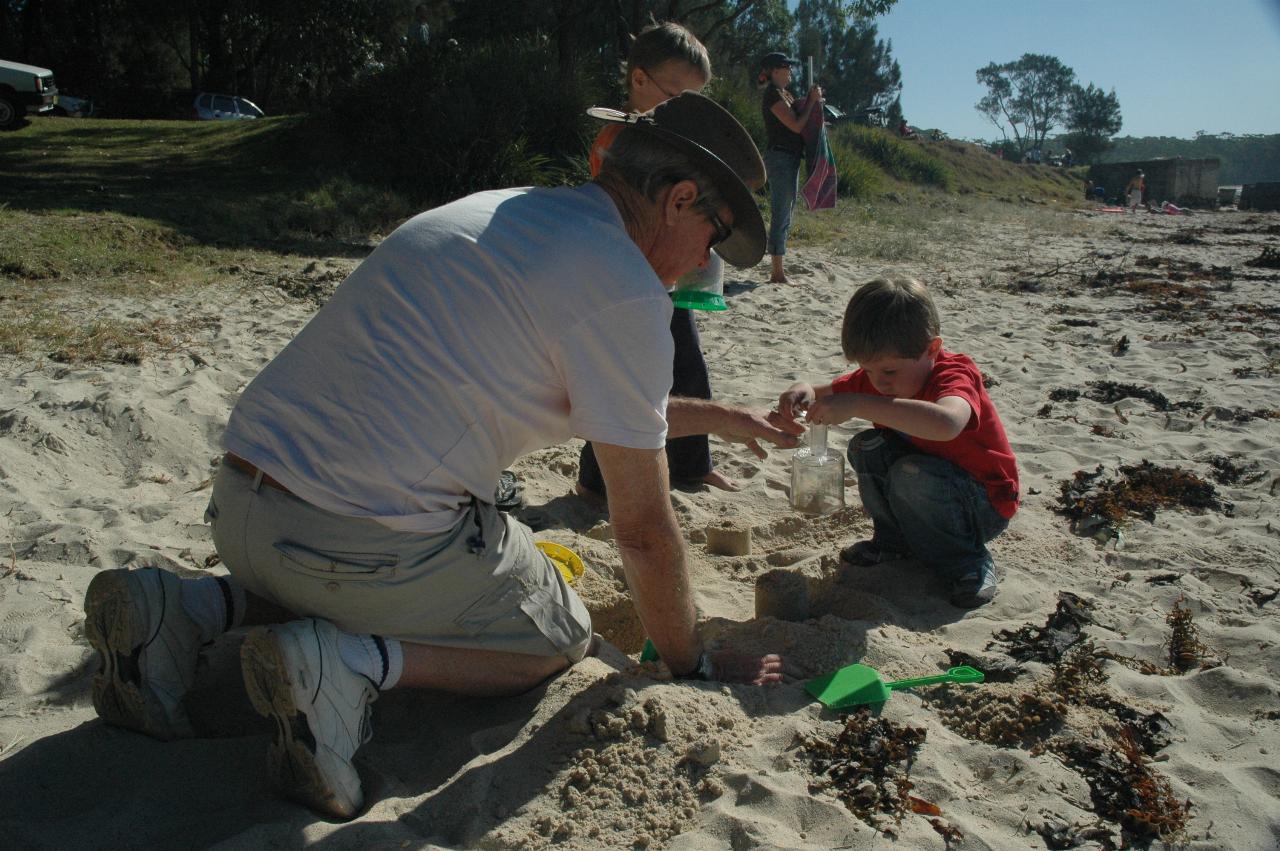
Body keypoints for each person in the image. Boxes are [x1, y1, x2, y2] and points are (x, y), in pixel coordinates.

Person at [82, 93, 789, 821]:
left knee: (383, 524)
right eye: (717, 232)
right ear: (678, 200)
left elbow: (614, 408)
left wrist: (727, 419)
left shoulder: (511, 210)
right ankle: (350, 667)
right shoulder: (626, 291)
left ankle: (190, 606)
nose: (709, 259)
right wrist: (690, 662)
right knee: (557, 631)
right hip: (355, 546)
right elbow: (641, 528)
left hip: (241, 509)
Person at [578, 21, 758, 496]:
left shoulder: (674, 141)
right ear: (639, 80)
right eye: (677, 97)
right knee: (623, 380)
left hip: (675, 277)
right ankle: (594, 483)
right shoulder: (618, 142)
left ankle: (694, 465)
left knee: (689, 367)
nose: (686, 113)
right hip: (633, 279)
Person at [774, 277, 1019, 609]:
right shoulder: (879, 376)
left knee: (909, 472)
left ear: (931, 350)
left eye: (888, 371)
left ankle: (968, 562)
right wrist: (801, 390)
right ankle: (894, 541)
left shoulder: (953, 374)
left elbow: (947, 422)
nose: (878, 382)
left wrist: (858, 404)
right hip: (924, 486)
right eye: (867, 370)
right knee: (865, 447)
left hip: (981, 505)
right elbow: (822, 390)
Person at [759, 51, 822, 284]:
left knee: (786, 212)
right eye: (787, 67)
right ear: (775, 71)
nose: (791, 71)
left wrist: (812, 100)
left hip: (790, 158)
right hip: (781, 158)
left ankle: (778, 269)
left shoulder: (784, 94)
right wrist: (812, 102)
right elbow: (796, 125)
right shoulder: (773, 96)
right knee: (781, 212)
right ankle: (777, 272)